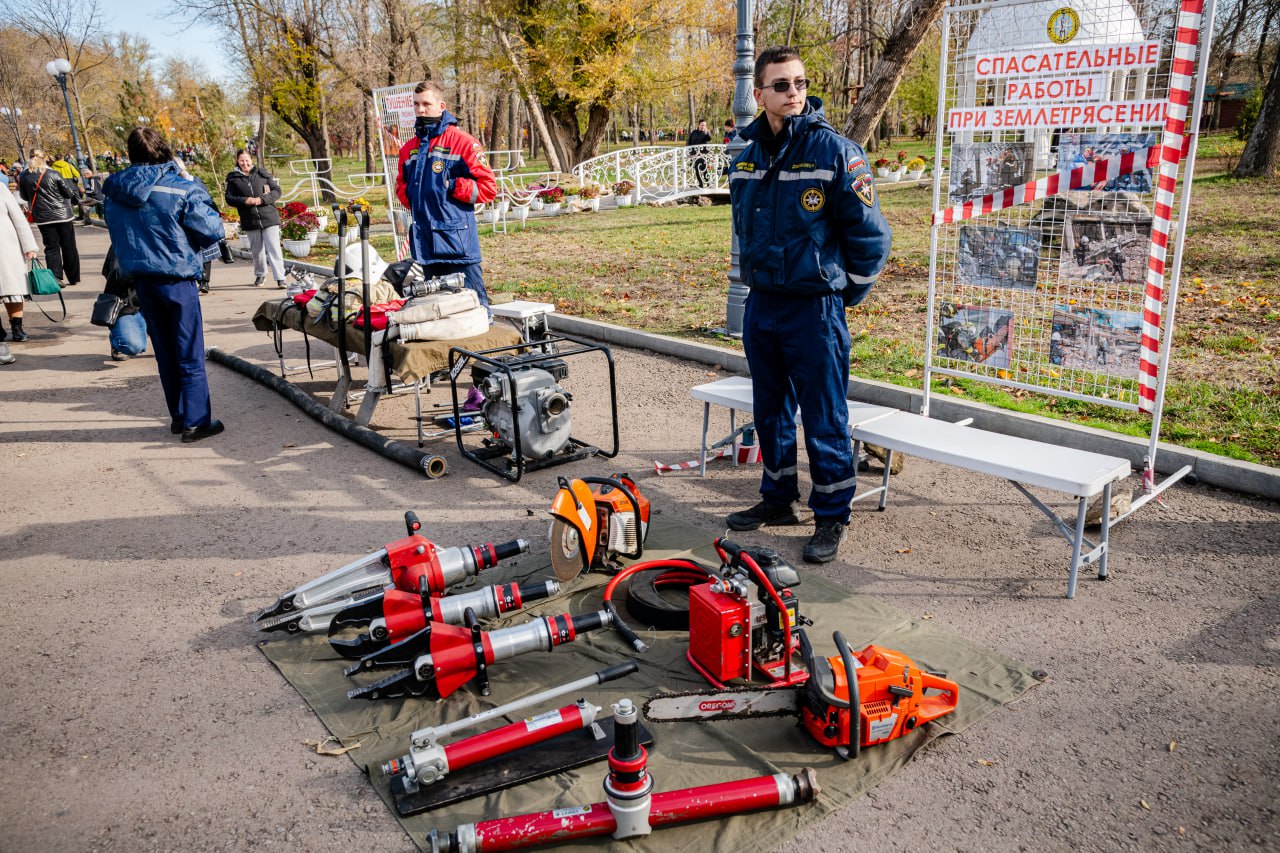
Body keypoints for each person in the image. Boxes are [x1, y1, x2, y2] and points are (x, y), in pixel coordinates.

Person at [725, 45, 892, 564]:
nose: (793, 93)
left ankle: (831, 515)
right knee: (770, 410)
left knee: (824, 415)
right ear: (759, 95)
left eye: (798, 83)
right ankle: (777, 499)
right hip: (764, 304)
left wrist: (844, 294)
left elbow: (871, 238)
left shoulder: (836, 152)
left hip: (815, 309)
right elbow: (744, 229)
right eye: (781, 85)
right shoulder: (745, 154)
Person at [103, 127, 226, 442]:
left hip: (142, 280)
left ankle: (179, 416)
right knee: (189, 351)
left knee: (166, 353)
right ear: (164, 151)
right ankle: (197, 421)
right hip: (177, 278)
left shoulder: (115, 191)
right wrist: (193, 185)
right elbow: (212, 229)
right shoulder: (180, 188)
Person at [395, 79, 496, 315]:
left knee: (476, 310)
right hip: (426, 243)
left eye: (426, 104)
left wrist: (450, 185)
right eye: (416, 104)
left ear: (442, 106)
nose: (420, 110)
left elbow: (489, 188)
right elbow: (401, 186)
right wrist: (414, 194)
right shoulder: (409, 148)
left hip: (457, 245)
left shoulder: (463, 142)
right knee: (441, 311)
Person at [17, 149, 81, 288]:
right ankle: (73, 277)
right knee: (69, 245)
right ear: (45, 158)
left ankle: (56, 277)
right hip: (63, 215)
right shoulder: (53, 173)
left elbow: (23, 196)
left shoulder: (24, 177)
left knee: (51, 247)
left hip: (43, 217)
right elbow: (68, 193)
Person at [224, 149, 285, 287]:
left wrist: (262, 200)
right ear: (238, 161)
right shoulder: (233, 178)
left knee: (274, 248)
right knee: (257, 250)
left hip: (269, 217)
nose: (244, 163)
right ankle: (260, 274)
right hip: (249, 218)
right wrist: (245, 200)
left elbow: (277, 191)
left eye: (247, 160)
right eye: (241, 161)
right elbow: (229, 198)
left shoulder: (262, 174)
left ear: (251, 160)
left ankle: (280, 277)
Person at [0, 179, 39, 357]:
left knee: (13, 291)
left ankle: (17, 327)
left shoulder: (0, 188)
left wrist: (29, 246)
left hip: (6, 248)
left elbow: (18, 217)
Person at [687, 119, 712, 188]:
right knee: (696, 169)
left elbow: (709, 138)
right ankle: (700, 183)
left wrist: (707, 132)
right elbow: (689, 142)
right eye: (702, 125)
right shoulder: (694, 132)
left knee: (704, 169)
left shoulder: (706, 133)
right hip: (695, 155)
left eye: (704, 125)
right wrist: (689, 151)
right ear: (699, 125)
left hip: (704, 154)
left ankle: (708, 183)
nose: (703, 126)